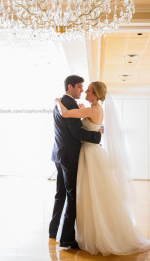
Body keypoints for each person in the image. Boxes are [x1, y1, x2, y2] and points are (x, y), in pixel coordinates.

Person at [56, 81, 150, 256]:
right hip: (90, 152)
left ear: (95, 94)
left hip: (90, 153)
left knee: (94, 193)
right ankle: (97, 233)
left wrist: (58, 101)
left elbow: (65, 113)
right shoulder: (95, 108)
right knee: (93, 194)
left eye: (89, 90)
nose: (85, 91)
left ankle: (101, 234)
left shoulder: (93, 110)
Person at [49, 75, 102, 249]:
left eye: (84, 88)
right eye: (80, 87)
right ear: (70, 86)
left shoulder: (60, 102)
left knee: (61, 194)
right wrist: (97, 136)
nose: (82, 90)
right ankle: (66, 239)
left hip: (59, 154)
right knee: (72, 195)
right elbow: (76, 133)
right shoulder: (68, 103)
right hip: (69, 155)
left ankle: (53, 230)